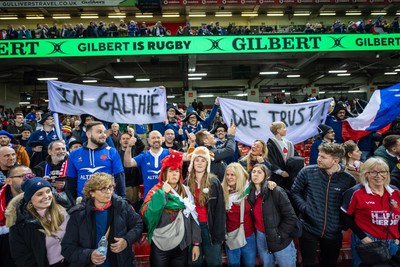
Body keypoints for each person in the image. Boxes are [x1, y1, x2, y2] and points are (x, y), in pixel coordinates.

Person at [291, 142, 356, 267]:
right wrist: (304, 208)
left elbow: (350, 205)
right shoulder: (307, 172)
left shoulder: (348, 179)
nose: (318, 159)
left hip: (334, 231)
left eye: (323, 157)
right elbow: (295, 191)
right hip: (308, 227)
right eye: (319, 155)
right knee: (307, 263)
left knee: (329, 263)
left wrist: (341, 223)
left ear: (335, 161)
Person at [61, 172, 143, 266]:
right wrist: (89, 255)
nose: (108, 192)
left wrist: (126, 240)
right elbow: (67, 248)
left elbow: (138, 224)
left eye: (110, 187)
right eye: (103, 189)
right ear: (91, 193)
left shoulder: (122, 206)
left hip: (121, 262)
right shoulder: (78, 215)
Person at [141, 149, 201, 267]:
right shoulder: (155, 191)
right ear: (164, 173)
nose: (174, 174)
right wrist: (162, 194)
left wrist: (196, 243)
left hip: (181, 246)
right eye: (171, 171)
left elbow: (193, 218)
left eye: (177, 171)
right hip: (160, 246)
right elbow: (147, 215)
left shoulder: (186, 192)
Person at [341, 157, 400, 267]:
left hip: (393, 243)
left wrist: (398, 239)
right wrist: (363, 237)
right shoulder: (355, 192)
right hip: (368, 244)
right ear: (366, 174)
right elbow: (345, 216)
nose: (378, 175)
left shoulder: (396, 192)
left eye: (383, 171)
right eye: (373, 172)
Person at [7, 177, 70, 267]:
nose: (46, 196)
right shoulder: (20, 226)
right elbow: (23, 259)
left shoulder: (65, 211)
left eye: (48, 191)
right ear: (30, 199)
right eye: (39, 194)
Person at [248, 164, 297, 267]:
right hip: (261, 236)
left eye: (259, 172)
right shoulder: (250, 192)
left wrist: (280, 235)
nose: (255, 174)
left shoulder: (275, 191)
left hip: (279, 237)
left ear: (266, 176)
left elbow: (291, 217)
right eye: (253, 172)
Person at [186, 146, 225, 267]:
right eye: (197, 160)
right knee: (194, 262)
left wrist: (218, 234)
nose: (199, 163)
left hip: (210, 228)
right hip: (193, 228)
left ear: (207, 163)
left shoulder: (214, 182)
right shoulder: (186, 183)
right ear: (192, 162)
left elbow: (220, 210)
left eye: (203, 160)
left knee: (213, 262)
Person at [66, 121, 126, 199]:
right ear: (88, 134)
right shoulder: (75, 154)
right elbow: (71, 181)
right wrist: (73, 203)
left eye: (104, 132)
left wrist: (122, 200)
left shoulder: (112, 152)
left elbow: (120, 179)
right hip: (84, 203)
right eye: (99, 132)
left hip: (107, 201)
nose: (103, 135)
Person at [221, 162, 256, 267]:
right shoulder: (221, 191)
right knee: (233, 264)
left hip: (248, 235)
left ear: (239, 176)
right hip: (231, 235)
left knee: (249, 264)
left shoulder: (249, 190)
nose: (229, 177)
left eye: (233, 175)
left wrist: (270, 183)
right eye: (227, 174)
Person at [0, 165, 34, 267]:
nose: (28, 179)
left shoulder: (42, 195)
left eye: (30, 176)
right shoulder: (2, 199)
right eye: (23, 176)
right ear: (9, 181)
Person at [267, 121, 301, 191]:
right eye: (284, 128)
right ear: (278, 130)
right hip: (278, 177)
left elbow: (296, 157)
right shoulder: (270, 145)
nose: (286, 130)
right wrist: (280, 172)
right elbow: (271, 160)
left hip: (290, 175)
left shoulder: (289, 143)